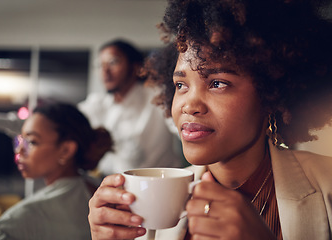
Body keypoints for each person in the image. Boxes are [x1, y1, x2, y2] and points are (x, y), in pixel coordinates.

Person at [87, 0, 332, 239]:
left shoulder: (327, 184)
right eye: (180, 85)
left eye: (217, 83)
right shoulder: (154, 200)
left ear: (272, 93)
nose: (189, 105)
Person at [0, 102, 113, 240]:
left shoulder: (33, 212)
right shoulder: (93, 187)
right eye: (21, 140)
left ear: (66, 150)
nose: (19, 151)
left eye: (32, 142)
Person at [78, 39, 183, 177]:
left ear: (136, 68)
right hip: (113, 187)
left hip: (162, 186)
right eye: (100, 65)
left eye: (113, 62)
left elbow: (183, 128)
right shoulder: (98, 103)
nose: (105, 71)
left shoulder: (158, 96)